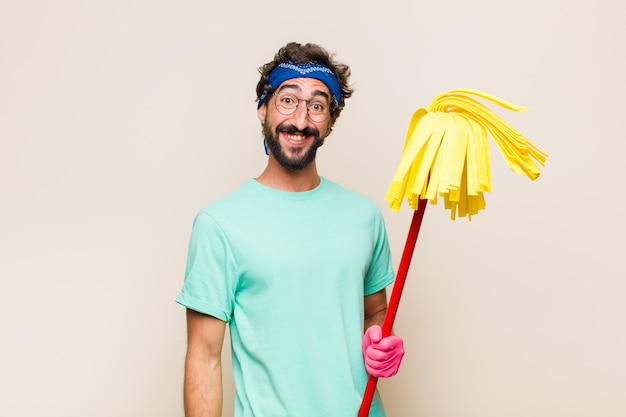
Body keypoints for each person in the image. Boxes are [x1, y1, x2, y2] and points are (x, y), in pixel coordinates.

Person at [176, 42, 405, 417]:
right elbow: (204, 358)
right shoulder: (220, 224)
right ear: (262, 108)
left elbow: (374, 311)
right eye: (287, 100)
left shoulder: (364, 216)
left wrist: (381, 342)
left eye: (317, 105)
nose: (300, 120)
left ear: (330, 120)